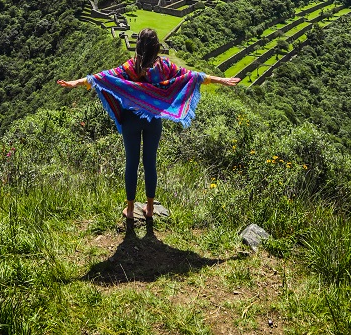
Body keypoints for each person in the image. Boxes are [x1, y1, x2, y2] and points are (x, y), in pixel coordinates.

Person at [57, 27, 240, 220]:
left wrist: (76, 82)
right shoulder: (164, 67)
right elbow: (191, 76)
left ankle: (130, 209)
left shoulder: (129, 68)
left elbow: (101, 77)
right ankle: (150, 208)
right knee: (150, 163)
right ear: (156, 48)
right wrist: (221, 80)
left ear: (138, 46)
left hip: (131, 120)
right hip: (153, 121)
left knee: (131, 163)